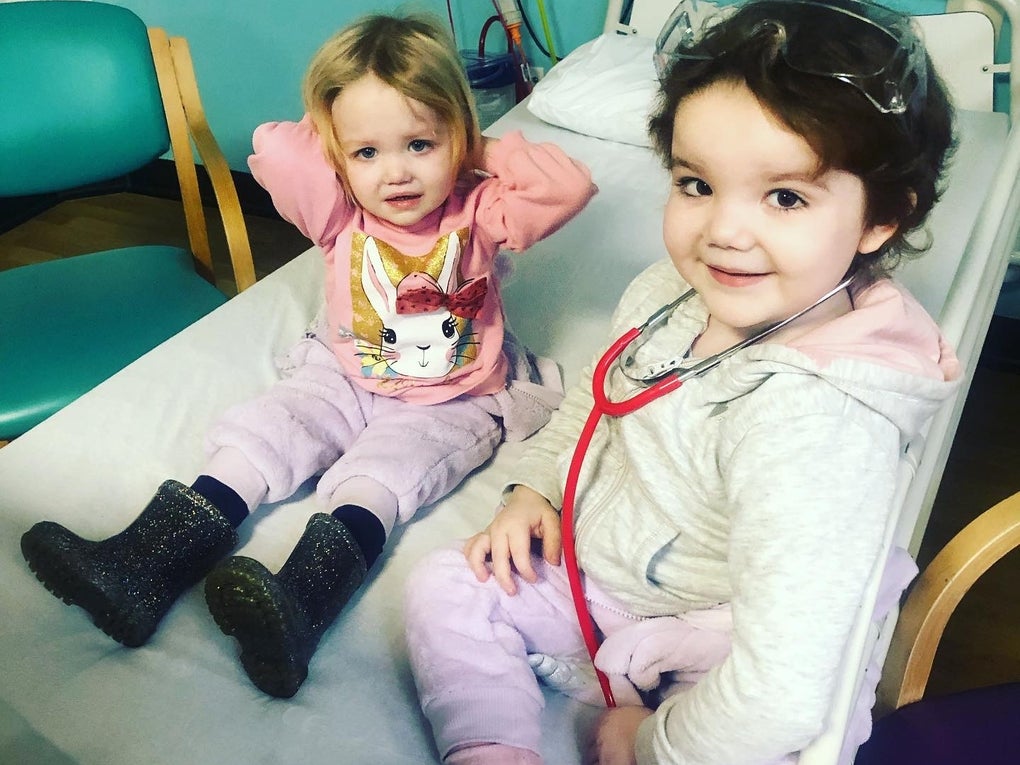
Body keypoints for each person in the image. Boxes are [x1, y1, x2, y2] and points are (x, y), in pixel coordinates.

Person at [403, 0, 959, 762]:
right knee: (447, 584)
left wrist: (652, 741)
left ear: (882, 218)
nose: (723, 232)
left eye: (785, 197)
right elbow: (596, 403)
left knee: (769, 729)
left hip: (722, 635)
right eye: (696, 184)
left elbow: (782, 690)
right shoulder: (665, 294)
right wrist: (535, 488)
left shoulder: (819, 423)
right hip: (604, 586)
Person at [19, 13, 596, 700]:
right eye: (367, 152)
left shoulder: (481, 210)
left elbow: (565, 186)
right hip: (340, 370)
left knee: (385, 474)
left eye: (420, 144)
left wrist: (477, 148)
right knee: (268, 431)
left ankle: (297, 606)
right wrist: (344, 132)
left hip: (451, 395)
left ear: (457, 137)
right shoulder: (336, 212)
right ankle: (139, 567)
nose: (397, 173)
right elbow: (276, 148)